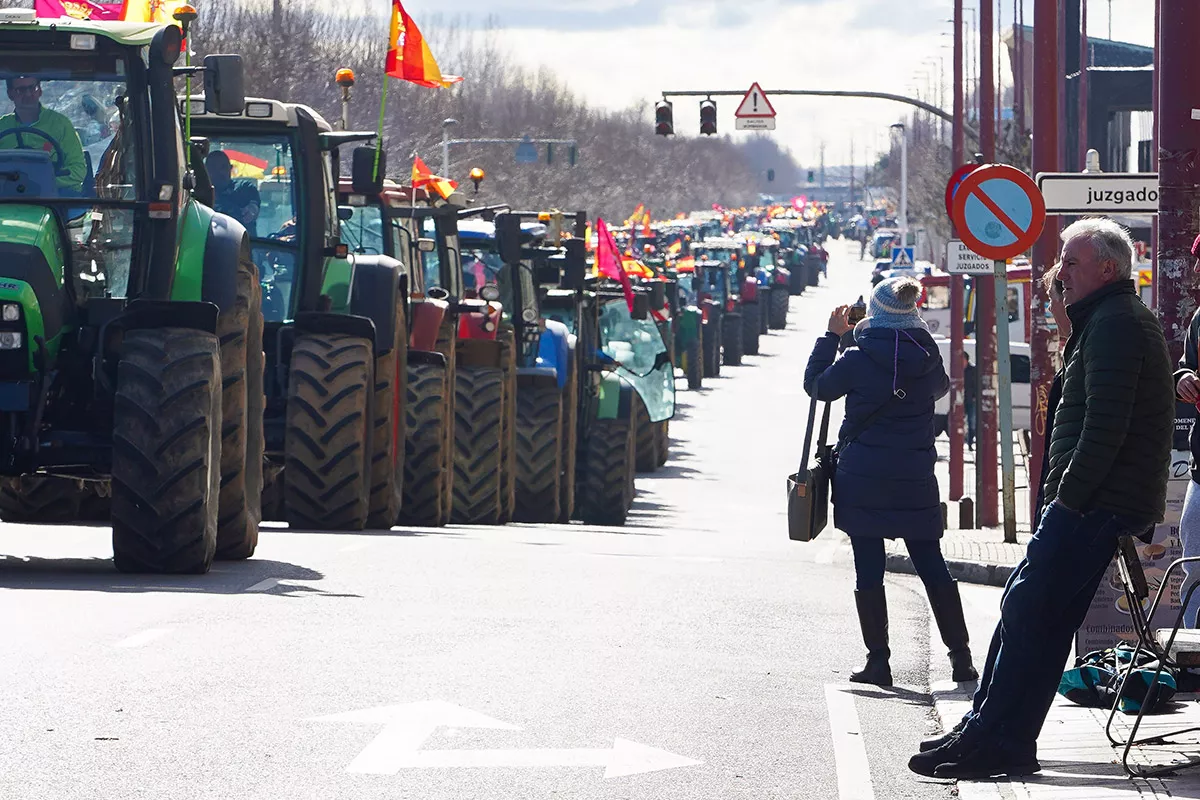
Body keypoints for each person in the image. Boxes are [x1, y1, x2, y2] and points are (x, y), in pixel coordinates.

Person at [909, 217, 1174, 780]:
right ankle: (991, 730)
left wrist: (1067, 501)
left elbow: (1105, 426)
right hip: (1092, 501)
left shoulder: (1118, 324)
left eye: (1071, 263)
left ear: (1108, 268)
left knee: (1030, 614)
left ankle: (996, 737)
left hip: (1092, 503)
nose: (1060, 273)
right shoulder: (1105, 318)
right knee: (1034, 616)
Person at [804, 276, 978, 688]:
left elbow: (817, 387)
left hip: (862, 478)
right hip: (913, 477)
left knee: (869, 569)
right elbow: (937, 389)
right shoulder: (927, 355)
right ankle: (961, 659)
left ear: (876, 313)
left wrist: (832, 338)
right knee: (933, 566)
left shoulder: (858, 357)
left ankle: (878, 662)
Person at [1172, 235, 1200, 627]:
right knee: (1193, 566)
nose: (1196, 270)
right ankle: (1194, 666)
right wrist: (1183, 379)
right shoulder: (1199, 319)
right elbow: (1183, 366)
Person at [0, 76, 87, 194]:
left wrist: (43, 181)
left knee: (75, 210)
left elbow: (78, 169)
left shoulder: (60, 124)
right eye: (21, 90)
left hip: (58, 195)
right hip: (9, 194)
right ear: (10, 94)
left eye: (32, 88)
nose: (28, 94)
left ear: (40, 90)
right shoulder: (2, 126)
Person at [204, 149, 261, 236]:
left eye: (223, 167)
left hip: (244, 246)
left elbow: (253, 208)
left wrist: (251, 211)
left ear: (230, 168)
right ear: (206, 170)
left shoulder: (244, 188)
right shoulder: (200, 194)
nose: (219, 172)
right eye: (213, 168)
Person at [962, 351, 976, 451]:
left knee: (972, 421)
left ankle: (970, 442)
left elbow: (976, 385)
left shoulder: (973, 370)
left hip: (971, 400)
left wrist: (975, 397)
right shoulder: (958, 370)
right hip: (962, 400)